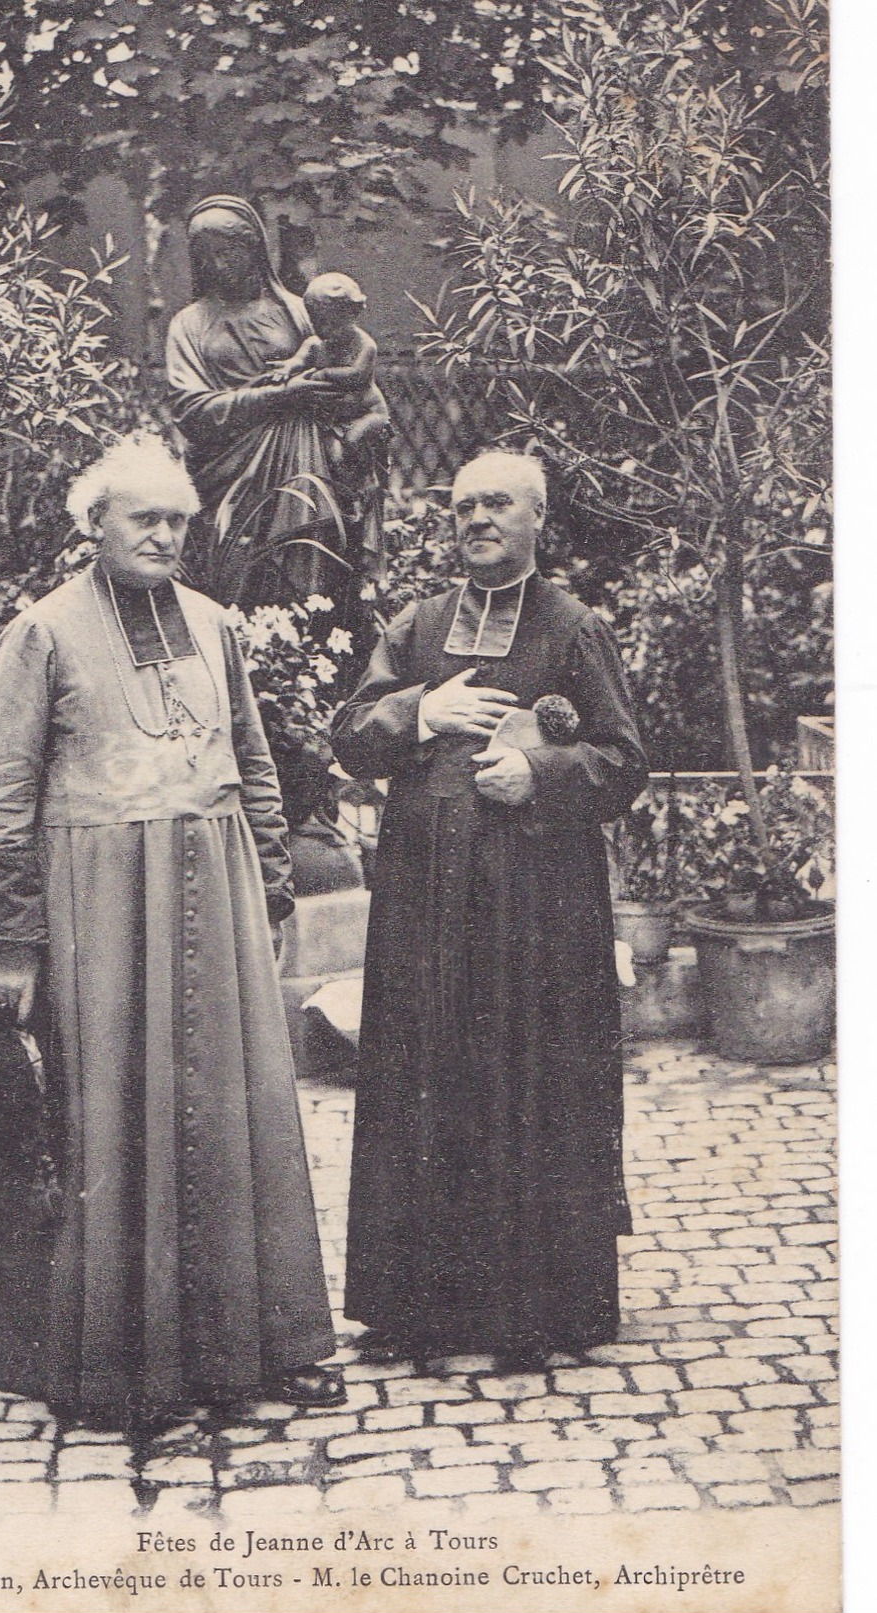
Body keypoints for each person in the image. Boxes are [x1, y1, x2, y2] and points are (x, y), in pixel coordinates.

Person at [0, 432, 344, 1431]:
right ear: (95, 523)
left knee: (235, 1116)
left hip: (215, 899)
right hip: (98, 909)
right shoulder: (40, 633)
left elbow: (254, 765)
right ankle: (126, 1363)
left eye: (178, 520)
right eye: (147, 519)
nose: (167, 536)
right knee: (111, 1121)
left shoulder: (217, 626)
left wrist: (268, 890)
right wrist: (13, 940)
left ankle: (256, 1345)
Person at [332, 450, 648, 1371]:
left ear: (538, 517)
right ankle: (414, 1302)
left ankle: (539, 1304)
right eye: (463, 504)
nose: (476, 517)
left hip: (539, 903)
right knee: (423, 1071)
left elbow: (624, 762)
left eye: (497, 503)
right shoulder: (416, 625)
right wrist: (421, 713)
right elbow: (349, 737)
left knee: (531, 1074)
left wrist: (540, 772)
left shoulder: (574, 627)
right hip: (424, 898)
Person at [165, 196, 384, 643]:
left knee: (310, 571)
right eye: (205, 257)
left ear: (254, 250)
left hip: (305, 464)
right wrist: (279, 396)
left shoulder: (303, 312)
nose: (217, 265)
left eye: (228, 252)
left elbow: (359, 386)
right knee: (233, 585)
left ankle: (312, 658)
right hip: (225, 477)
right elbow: (189, 408)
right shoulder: (188, 325)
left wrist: (362, 432)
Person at [263, 272, 391, 470]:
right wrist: (288, 367)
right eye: (318, 323)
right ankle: (343, 491)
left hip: (368, 412)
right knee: (331, 457)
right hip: (334, 417)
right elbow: (300, 359)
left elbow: (356, 375)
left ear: (352, 314)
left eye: (333, 323)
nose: (325, 330)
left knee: (353, 440)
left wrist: (324, 374)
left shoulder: (366, 345)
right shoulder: (316, 343)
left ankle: (368, 477)